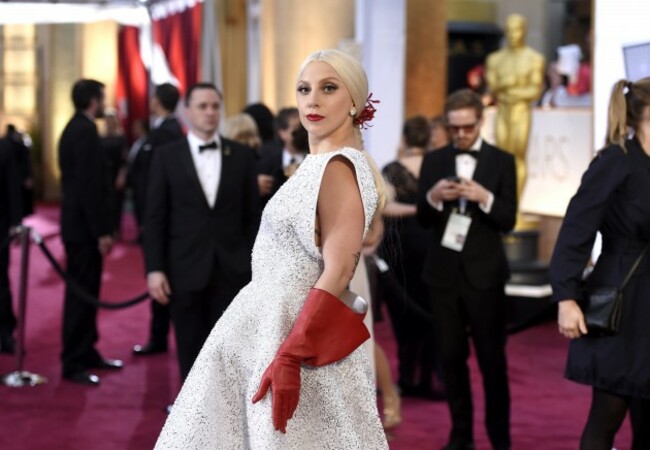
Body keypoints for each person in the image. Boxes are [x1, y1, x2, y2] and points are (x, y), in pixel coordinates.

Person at [154, 49, 389, 449]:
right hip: (265, 327)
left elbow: (339, 271)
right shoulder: (320, 165)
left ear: (355, 101)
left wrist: (290, 354)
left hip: (292, 337)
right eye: (304, 89)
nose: (312, 100)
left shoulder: (338, 167)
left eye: (328, 88)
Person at [551, 78, 650, 450]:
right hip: (622, 303)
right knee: (608, 414)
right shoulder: (616, 160)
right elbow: (576, 228)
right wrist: (566, 297)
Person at [416, 88, 516, 450]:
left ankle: (500, 439)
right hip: (442, 276)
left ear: (480, 121)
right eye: (454, 128)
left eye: (467, 128)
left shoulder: (502, 161)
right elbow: (423, 219)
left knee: (492, 362)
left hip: (485, 276)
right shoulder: (434, 160)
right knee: (451, 359)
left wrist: (483, 197)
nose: (460, 134)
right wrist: (432, 197)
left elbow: (508, 219)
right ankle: (460, 437)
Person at [144, 82, 260, 382]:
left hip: (232, 268)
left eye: (214, 106)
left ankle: (231, 421)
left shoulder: (242, 156)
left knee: (232, 350)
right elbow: (155, 217)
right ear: (187, 111)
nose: (210, 113)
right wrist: (155, 268)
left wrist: (250, 263)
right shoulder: (166, 155)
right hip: (184, 268)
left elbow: (252, 217)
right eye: (202, 106)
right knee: (190, 348)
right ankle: (192, 421)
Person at [58, 79, 122, 386]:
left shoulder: (78, 128)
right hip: (83, 231)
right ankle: (73, 360)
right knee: (80, 295)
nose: (105, 103)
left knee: (88, 293)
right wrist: (101, 231)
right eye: (103, 97)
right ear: (93, 101)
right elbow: (88, 188)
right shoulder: (82, 132)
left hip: (80, 227)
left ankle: (86, 351)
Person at [380, 115, 442, 400]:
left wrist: (411, 210)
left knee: (404, 312)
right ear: (428, 138)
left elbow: (384, 208)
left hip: (400, 247)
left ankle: (407, 376)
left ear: (404, 139)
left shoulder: (392, 168)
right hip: (433, 244)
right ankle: (430, 378)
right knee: (431, 310)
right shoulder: (439, 167)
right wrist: (424, 210)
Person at [132, 83, 184, 356]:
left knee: (164, 277)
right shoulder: (162, 130)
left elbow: (153, 181)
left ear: (158, 100)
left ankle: (160, 336)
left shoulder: (167, 132)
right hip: (154, 216)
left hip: (163, 218)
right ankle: (158, 335)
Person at [485, 13, 545, 230]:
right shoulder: (495, 59)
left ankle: (516, 207)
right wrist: (512, 86)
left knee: (518, 157)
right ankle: (504, 205)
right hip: (503, 110)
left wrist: (508, 87)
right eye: (509, 30)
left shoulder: (534, 58)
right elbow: (492, 86)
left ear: (524, 31)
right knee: (502, 159)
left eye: (516, 29)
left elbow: (535, 90)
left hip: (520, 110)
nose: (512, 35)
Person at [0, 136, 22, 354]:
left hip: (1, 228)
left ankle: (5, 333)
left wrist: (16, 222)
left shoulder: (4, 147)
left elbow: (12, 186)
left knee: (1, 283)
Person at [256, 107, 304, 205]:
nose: (302, 134)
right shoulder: (267, 164)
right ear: (282, 133)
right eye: (296, 129)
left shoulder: (315, 159)